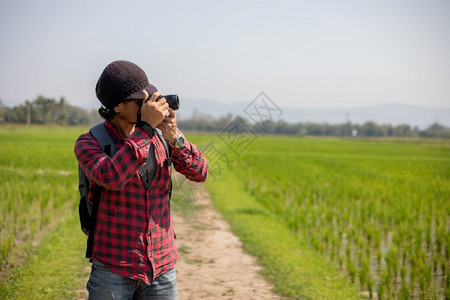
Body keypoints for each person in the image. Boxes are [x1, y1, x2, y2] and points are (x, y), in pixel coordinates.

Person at [74, 60, 208, 300]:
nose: (148, 106)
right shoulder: (90, 142)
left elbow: (200, 172)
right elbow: (111, 177)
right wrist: (145, 129)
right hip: (112, 267)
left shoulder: (161, 137)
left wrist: (175, 137)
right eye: (140, 101)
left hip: (162, 266)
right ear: (116, 106)